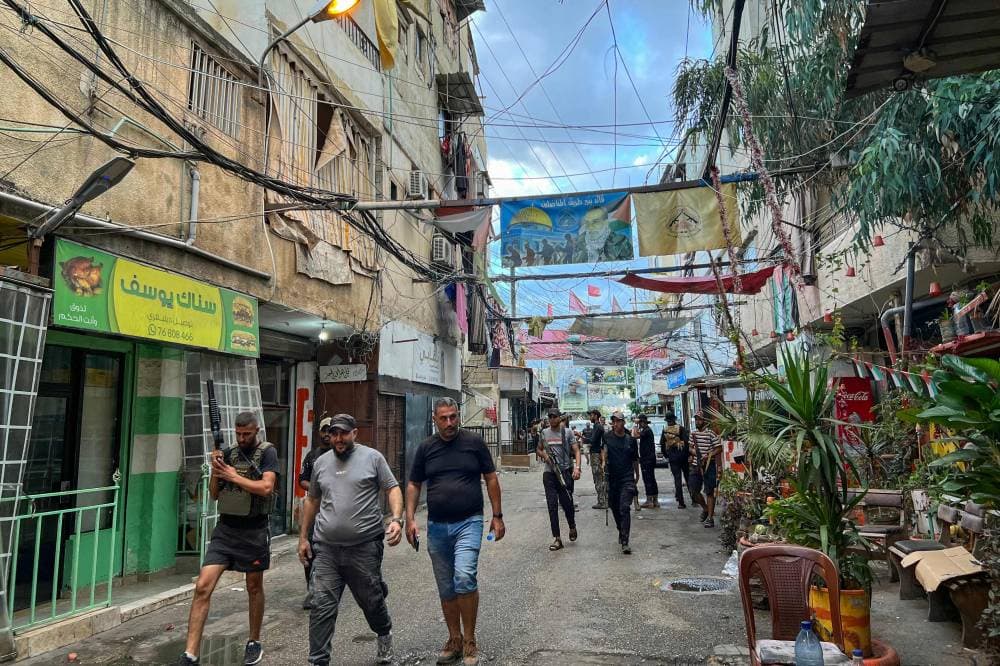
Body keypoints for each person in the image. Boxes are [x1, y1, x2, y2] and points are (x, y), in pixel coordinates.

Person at [406, 398, 504, 666]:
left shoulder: (474, 443)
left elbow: (491, 478)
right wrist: (409, 518)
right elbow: (414, 484)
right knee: (446, 585)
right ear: (435, 419)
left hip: (469, 522)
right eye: (444, 418)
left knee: (463, 576)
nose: (449, 423)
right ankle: (454, 639)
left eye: (453, 417)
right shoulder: (426, 448)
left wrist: (497, 516)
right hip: (437, 526)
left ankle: (470, 640)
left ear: (458, 416)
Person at [298, 414, 403, 665]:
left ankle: (384, 634)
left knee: (371, 601)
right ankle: (318, 660)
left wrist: (396, 519)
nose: (338, 438)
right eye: (334, 433)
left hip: (364, 547)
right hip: (326, 548)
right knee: (321, 605)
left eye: (344, 433)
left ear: (354, 433)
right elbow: (312, 500)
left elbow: (392, 488)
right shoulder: (321, 463)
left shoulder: (372, 458)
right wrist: (303, 538)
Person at [178, 412, 278, 666]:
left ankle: (254, 641)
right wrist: (216, 470)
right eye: (238, 433)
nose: (242, 438)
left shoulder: (267, 452)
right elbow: (214, 495)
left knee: (253, 587)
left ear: (256, 431)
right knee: (203, 586)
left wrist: (234, 476)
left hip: (254, 530)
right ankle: (190, 654)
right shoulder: (228, 453)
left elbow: (266, 487)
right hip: (225, 530)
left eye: (247, 434)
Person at [298, 417, 334, 610]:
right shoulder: (312, 456)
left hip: (335, 511)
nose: (327, 434)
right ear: (319, 432)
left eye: (331, 430)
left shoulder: (341, 454)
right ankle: (311, 591)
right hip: (314, 510)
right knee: (310, 550)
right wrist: (316, 488)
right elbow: (302, 479)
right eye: (324, 430)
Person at [536, 409, 581, 551]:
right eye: (550, 417)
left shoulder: (567, 432)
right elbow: (538, 449)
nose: (552, 419)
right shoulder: (544, 433)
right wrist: (545, 456)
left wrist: (577, 468)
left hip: (565, 472)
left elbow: (577, 450)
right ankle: (557, 538)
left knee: (567, 503)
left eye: (554, 416)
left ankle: (572, 526)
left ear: (559, 418)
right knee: (552, 506)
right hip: (549, 473)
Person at [603, 411, 639, 554]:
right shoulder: (607, 437)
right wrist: (603, 462)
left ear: (623, 422)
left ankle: (625, 541)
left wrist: (637, 475)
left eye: (618, 421)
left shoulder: (630, 440)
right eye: (614, 421)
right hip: (612, 478)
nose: (616, 424)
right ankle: (621, 529)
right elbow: (603, 452)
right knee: (615, 507)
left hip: (627, 478)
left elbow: (635, 459)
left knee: (624, 507)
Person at [690, 412, 723, 528]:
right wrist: (694, 453)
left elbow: (719, 448)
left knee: (709, 492)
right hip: (696, 465)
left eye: (699, 420)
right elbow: (690, 447)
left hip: (709, 465)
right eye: (696, 420)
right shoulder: (693, 434)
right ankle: (705, 508)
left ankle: (710, 518)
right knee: (693, 491)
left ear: (704, 421)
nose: (697, 422)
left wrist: (708, 455)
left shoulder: (710, 434)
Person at [660, 412, 690, 509]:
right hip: (683, 457)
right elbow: (686, 442)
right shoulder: (681, 428)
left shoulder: (665, 430)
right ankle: (694, 498)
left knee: (677, 479)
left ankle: (681, 502)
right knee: (688, 477)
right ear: (674, 419)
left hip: (673, 457)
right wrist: (688, 455)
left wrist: (667, 455)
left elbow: (662, 444)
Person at [635, 415, 659, 509]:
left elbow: (635, 435)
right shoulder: (647, 430)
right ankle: (655, 500)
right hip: (650, 458)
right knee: (651, 478)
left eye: (639, 423)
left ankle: (649, 501)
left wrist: (635, 425)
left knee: (648, 479)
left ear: (642, 422)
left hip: (647, 459)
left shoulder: (646, 431)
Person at [587, 409, 607, 510]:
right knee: (598, 478)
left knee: (598, 478)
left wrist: (580, 436)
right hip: (596, 454)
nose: (590, 417)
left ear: (595, 416)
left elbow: (592, 440)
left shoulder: (598, 426)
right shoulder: (597, 426)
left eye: (591, 415)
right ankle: (602, 500)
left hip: (596, 454)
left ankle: (602, 501)